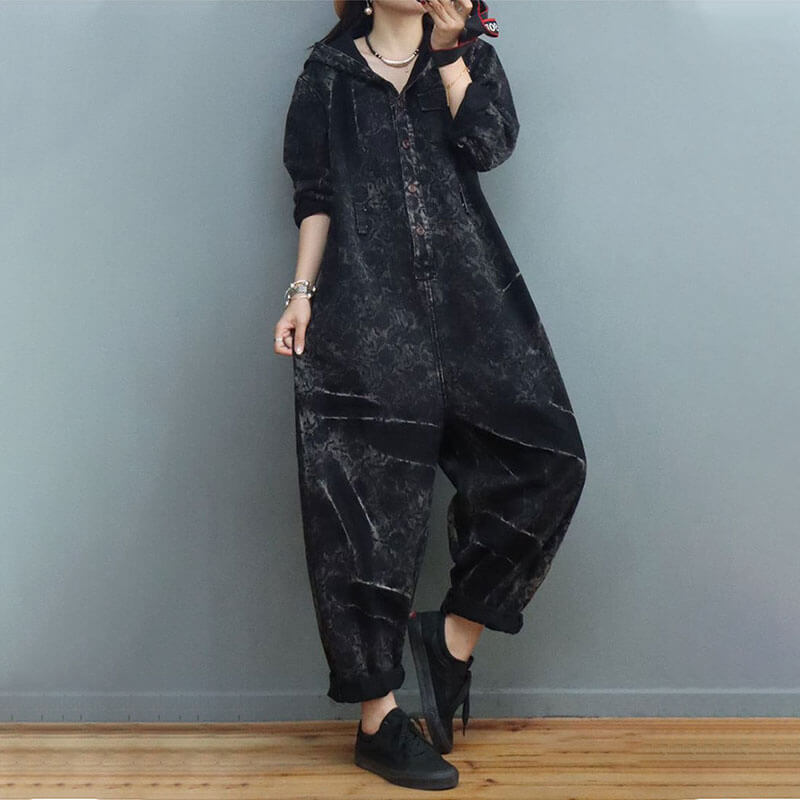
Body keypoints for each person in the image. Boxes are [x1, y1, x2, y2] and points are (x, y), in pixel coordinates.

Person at [276, 0, 587, 790]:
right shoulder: (326, 75)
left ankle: (450, 640)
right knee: (361, 511)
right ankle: (378, 721)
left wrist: (449, 55)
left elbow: (489, 144)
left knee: (549, 462)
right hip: (364, 312)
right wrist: (301, 295)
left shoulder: (468, 56)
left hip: (474, 304)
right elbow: (315, 195)